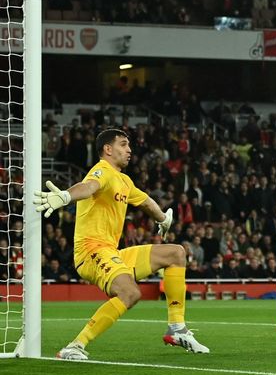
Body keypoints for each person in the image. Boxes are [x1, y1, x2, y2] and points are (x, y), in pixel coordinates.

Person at [33, 128, 208, 360]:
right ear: (108, 149)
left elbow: (146, 202)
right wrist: (65, 196)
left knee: (176, 253)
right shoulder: (101, 170)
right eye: (124, 144)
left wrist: (163, 219)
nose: (129, 150)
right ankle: (75, 346)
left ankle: (177, 329)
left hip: (111, 252)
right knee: (130, 293)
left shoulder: (123, 180)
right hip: (91, 251)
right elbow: (88, 188)